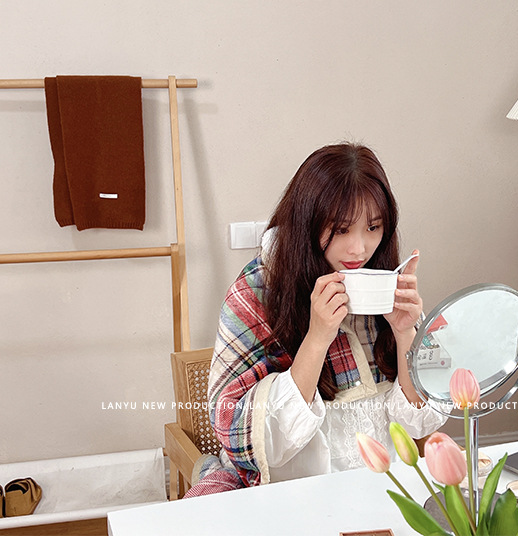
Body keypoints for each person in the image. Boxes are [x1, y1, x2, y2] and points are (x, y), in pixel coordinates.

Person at [184, 143, 446, 497]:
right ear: (307, 222)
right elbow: (249, 438)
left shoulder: (384, 280)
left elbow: (418, 424)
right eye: (341, 230)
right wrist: (319, 336)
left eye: (373, 227)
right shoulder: (258, 291)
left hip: (388, 489)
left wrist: (405, 333)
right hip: (297, 496)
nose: (359, 249)